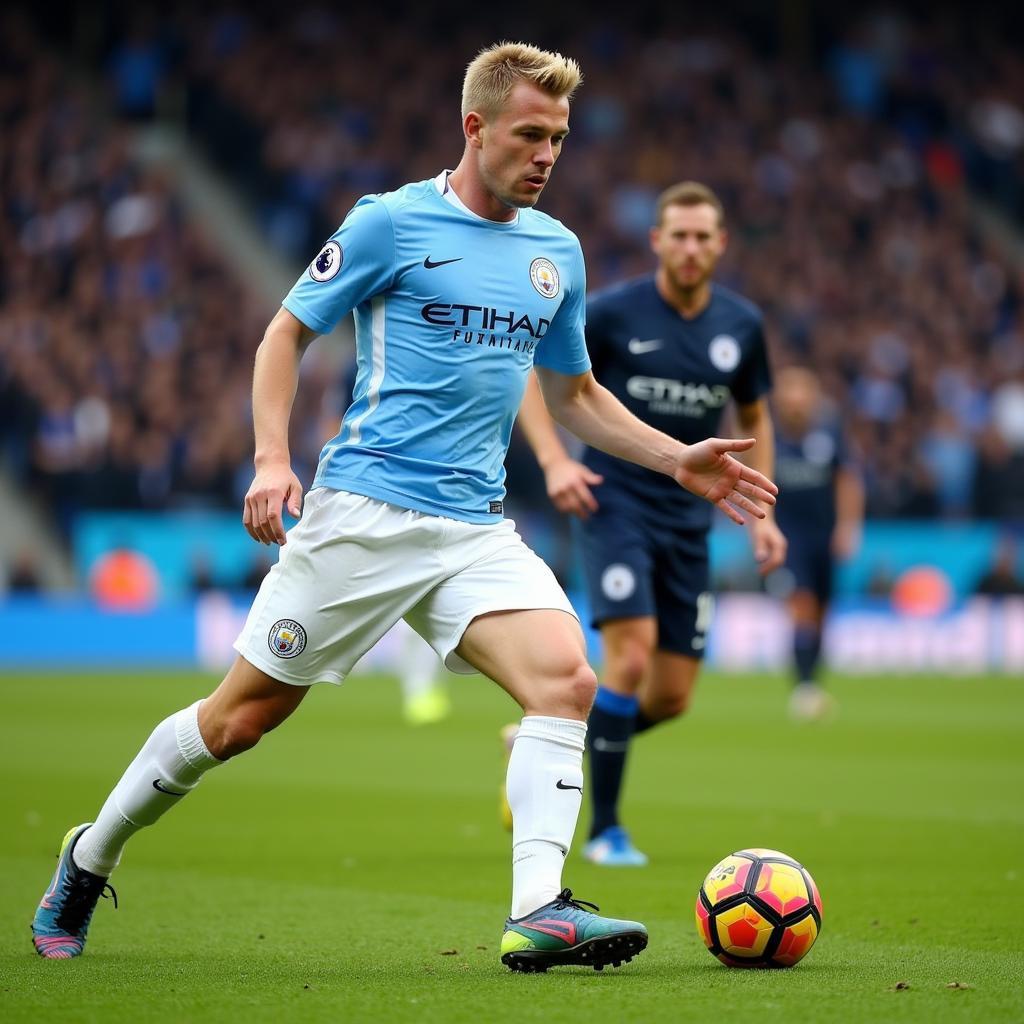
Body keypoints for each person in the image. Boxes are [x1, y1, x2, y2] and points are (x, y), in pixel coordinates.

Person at [31, 44, 776, 972]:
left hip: (475, 528)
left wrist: (678, 461)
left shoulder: (558, 252)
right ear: (475, 127)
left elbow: (575, 394)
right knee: (237, 722)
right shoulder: (389, 224)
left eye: (561, 138)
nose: (549, 155)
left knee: (567, 681)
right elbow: (283, 334)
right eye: (531, 135)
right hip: (363, 517)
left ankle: (539, 909)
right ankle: (88, 856)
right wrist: (271, 459)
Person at [516, 181, 786, 866]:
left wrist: (763, 514)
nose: (691, 248)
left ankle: (550, 747)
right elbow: (535, 380)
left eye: (704, 237)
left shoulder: (741, 326)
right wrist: (555, 461)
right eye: (680, 235)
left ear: (721, 244)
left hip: (690, 519)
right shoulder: (610, 313)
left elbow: (754, 418)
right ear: (657, 241)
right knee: (628, 658)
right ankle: (605, 829)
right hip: (616, 503)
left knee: (670, 698)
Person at [770, 366, 863, 719]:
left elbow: (848, 481)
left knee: (823, 612)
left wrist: (847, 527)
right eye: (788, 393)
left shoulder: (830, 435)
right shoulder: (769, 438)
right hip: (788, 540)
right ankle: (804, 687)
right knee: (802, 605)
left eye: (801, 393)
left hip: (824, 537)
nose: (795, 401)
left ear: (812, 399)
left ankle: (813, 682)